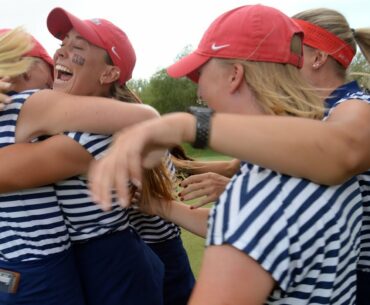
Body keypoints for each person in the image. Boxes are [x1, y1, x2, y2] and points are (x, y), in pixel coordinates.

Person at [89, 4, 363, 304]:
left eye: (200, 76)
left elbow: (249, 225)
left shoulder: (257, 195)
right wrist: (159, 205)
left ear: (235, 75)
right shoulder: (312, 154)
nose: (201, 94)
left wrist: (186, 124)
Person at [0, 8, 195, 305]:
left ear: (108, 74)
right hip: (93, 257)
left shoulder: (95, 133)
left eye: (76, 47)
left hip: (112, 260)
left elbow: (7, 171)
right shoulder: (59, 122)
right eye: (62, 44)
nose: (61, 52)